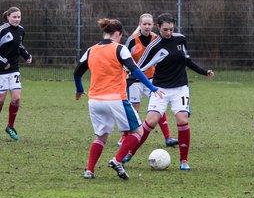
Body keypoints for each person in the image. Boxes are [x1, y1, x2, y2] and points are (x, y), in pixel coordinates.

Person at [120, 12, 214, 170]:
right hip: (160, 89)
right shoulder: (153, 46)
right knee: (150, 121)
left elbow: (186, 60)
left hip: (180, 88)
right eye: (165, 29)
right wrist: (124, 83)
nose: (169, 32)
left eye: (171, 29)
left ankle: (184, 160)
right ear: (158, 27)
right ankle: (130, 152)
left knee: (183, 119)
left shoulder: (180, 39)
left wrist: (203, 72)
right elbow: (138, 68)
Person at [73, 18, 163, 180]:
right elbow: (135, 70)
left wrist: (80, 89)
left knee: (101, 136)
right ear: (118, 34)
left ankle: (89, 170)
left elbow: (77, 72)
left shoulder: (91, 50)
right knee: (137, 131)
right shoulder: (120, 49)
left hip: (94, 100)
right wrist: (152, 88)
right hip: (115, 99)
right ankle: (117, 160)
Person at [117, 13, 178, 148]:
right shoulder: (133, 40)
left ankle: (168, 137)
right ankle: (125, 136)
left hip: (151, 79)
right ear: (140, 25)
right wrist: (126, 73)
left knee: (158, 107)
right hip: (134, 79)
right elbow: (123, 58)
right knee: (134, 109)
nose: (147, 26)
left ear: (153, 25)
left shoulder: (156, 39)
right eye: (144, 24)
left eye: (149, 24)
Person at [0, 6, 32, 141]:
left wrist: (26, 55)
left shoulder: (21, 30)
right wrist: (2, 62)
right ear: (8, 17)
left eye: (19, 17)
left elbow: (19, 45)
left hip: (14, 69)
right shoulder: (2, 30)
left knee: (16, 99)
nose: (17, 19)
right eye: (14, 17)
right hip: (1, 70)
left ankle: (10, 126)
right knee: (0, 100)